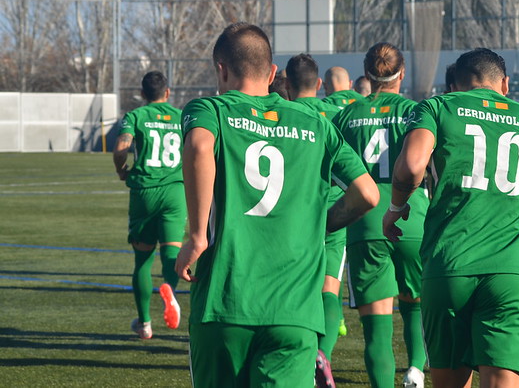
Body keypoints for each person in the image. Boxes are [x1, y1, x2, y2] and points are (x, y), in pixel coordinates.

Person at [175, 23, 379, 388]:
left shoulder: (210, 109)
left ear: (220, 68)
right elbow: (367, 194)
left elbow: (200, 147)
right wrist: (324, 223)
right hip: (295, 312)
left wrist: (195, 236)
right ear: (272, 74)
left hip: (226, 303)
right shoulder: (316, 123)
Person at [385, 47, 519, 388]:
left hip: (449, 264)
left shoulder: (438, 107)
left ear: (456, 84)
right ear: (504, 84)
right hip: (512, 270)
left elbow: (411, 167)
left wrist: (397, 208)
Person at [332, 43, 428, 388]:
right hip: (412, 218)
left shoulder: (345, 115)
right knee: (415, 303)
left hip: (366, 223)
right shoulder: (418, 112)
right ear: (401, 73)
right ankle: (416, 368)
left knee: (376, 328)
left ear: (367, 75)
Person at [285, 53, 349, 374]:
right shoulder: (340, 113)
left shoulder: (282, 112)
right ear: (320, 84)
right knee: (329, 288)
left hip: (292, 211)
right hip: (333, 210)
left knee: (292, 285)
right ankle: (321, 356)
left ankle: (298, 350)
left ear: (286, 82)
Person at [112, 71, 185, 340]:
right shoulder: (180, 117)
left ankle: (144, 324)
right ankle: (171, 292)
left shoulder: (135, 116)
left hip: (144, 192)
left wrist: (122, 170)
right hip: (175, 191)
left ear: (143, 94)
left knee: (142, 259)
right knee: (171, 252)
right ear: (167, 92)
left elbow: (121, 148)